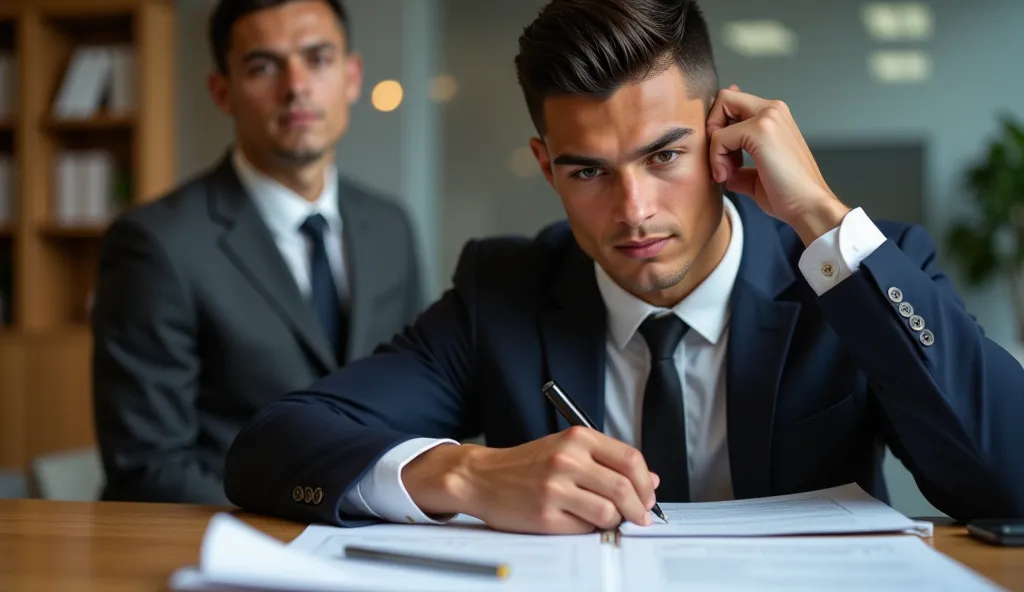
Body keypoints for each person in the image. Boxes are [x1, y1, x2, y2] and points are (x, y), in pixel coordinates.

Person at [223, 0, 1024, 531]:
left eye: (665, 155)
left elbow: (1009, 479)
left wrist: (818, 216)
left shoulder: (851, 274)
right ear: (545, 166)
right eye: (586, 171)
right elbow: (271, 445)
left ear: (725, 136)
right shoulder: (501, 291)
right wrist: (464, 475)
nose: (633, 209)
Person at [91, 0, 423, 504]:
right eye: (263, 66)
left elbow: (421, 401)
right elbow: (149, 468)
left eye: (318, 59)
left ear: (352, 76)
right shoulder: (155, 242)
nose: (296, 87)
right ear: (222, 92)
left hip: (379, 538)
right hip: (226, 543)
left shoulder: (390, 225)